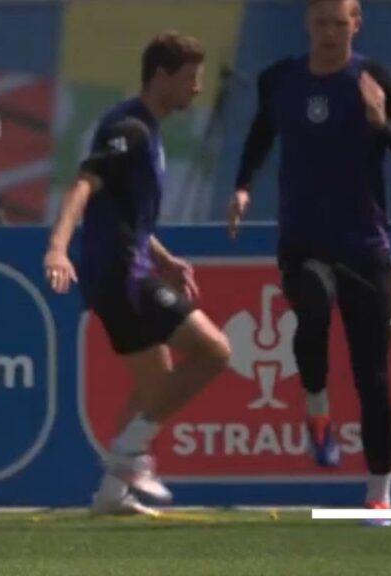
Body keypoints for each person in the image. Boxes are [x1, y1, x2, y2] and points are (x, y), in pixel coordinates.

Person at [227, 0, 391, 526]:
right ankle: (317, 407)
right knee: (312, 305)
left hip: (365, 246)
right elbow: (260, 133)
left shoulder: (378, 81)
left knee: (374, 375)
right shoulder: (280, 80)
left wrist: (379, 121)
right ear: (307, 24)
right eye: (320, 22)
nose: (328, 33)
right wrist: (243, 186)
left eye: (339, 24)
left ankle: (379, 494)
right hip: (304, 241)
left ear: (356, 24)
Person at [44, 31, 231, 516]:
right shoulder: (131, 128)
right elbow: (84, 185)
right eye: (190, 78)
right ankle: (128, 453)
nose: (197, 88)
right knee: (214, 351)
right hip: (121, 274)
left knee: (156, 385)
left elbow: (124, 213)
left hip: (130, 267)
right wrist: (58, 247)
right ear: (162, 77)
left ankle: (112, 491)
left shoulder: (147, 129)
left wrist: (164, 257)